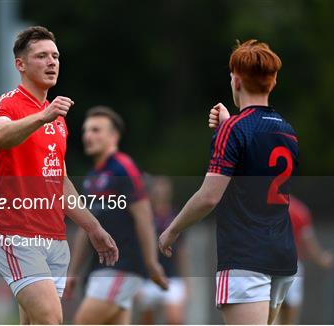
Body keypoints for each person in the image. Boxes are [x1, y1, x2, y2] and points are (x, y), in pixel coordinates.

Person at [0, 26, 118, 325]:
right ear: (21, 64)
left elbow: (60, 182)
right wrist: (43, 116)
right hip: (17, 234)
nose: (51, 62)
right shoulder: (6, 105)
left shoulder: (57, 122)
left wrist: (93, 228)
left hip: (54, 238)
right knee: (51, 320)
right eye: (41, 56)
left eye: (55, 56)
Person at [159, 39, 299, 325]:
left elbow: (209, 196)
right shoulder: (288, 131)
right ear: (272, 82)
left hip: (246, 257)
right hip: (282, 255)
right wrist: (228, 125)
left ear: (236, 81)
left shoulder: (234, 130)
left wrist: (171, 230)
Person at [65, 106, 168, 324]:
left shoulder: (123, 168)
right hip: (100, 270)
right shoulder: (92, 177)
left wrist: (151, 264)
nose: (88, 136)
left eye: (96, 130)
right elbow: (88, 228)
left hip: (122, 267)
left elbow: (144, 217)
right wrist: (73, 272)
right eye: (86, 131)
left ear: (114, 136)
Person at [136, 176, 189, 324]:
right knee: (147, 320)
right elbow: (137, 250)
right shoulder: (145, 217)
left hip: (172, 277)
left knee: (175, 319)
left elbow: (182, 251)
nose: (161, 193)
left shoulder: (176, 217)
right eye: (157, 189)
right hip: (148, 278)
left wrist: (186, 281)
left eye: (164, 189)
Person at [278, 195, 334, 324]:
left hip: (263, 264)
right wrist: (321, 258)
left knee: (270, 307)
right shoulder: (299, 210)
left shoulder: (260, 205)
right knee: (291, 309)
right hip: (290, 265)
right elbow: (307, 241)